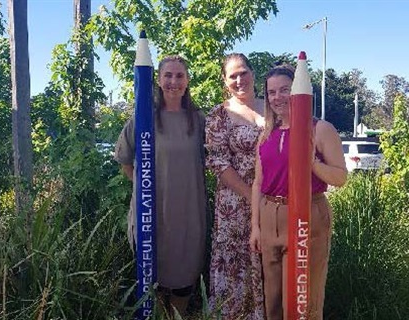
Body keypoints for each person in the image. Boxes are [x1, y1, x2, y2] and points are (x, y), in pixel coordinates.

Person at [249, 65, 347, 320]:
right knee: (273, 299)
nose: (277, 97)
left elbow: (340, 177)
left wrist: (311, 161)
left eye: (285, 90)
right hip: (270, 215)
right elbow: (258, 183)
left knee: (303, 299)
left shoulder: (320, 129)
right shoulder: (267, 132)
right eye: (272, 92)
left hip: (307, 215)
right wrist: (255, 227)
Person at [114, 55, 206, 316]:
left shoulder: (200, 121)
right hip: (152, 215)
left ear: (187, 81)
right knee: (152, 280)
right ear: (158, 79)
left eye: (179, 76)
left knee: (184, 278)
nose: (173, 81)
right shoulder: (143, 119)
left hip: (189, 215)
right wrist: (147, 190)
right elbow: (126, 164)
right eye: (168, 75)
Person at [205, 53, 265, 319]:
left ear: (253, 73)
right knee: (234, 267)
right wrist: (253, 197)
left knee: (267, 261)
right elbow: (217, 162)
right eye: (233, 75)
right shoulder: (219, 114)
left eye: (244, 72)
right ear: (225, 81)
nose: (239, 79)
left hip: (274, 200)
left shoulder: (273, 107)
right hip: (234, 205)